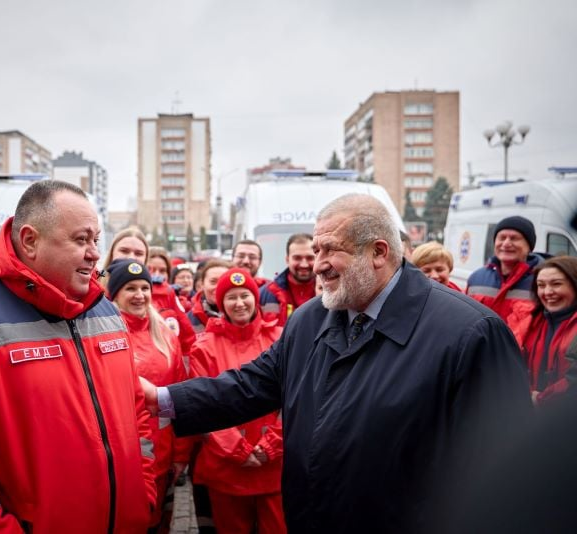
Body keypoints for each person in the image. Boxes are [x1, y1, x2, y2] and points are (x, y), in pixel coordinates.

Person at [145, 194, 531, 533]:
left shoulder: (471, 334)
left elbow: (504, 476)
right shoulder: (310, 319)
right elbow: (250, 386)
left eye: (330, 250)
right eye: (315, 251)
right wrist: (162, 400)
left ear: (379, 252)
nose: (317, 265)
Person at [0, 181, 156, 532]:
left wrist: (141, 496)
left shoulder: (107, 313)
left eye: (96, 240)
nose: (95, 253)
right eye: (81, 240)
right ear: (30, 240)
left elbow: (137, 412)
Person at [189, 268, 286, 534]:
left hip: (275, 466)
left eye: (245, 295)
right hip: (227, 469)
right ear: (220, 304)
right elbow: (202, 407)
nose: (240, 303)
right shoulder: (204, 348)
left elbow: (296, 399)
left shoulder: (280, 339)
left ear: (256, 299)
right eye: (231, 297)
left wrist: (272, 444)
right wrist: (236, 449)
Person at [107, 259, 190, 532]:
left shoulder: (165, 335)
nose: (140, 295)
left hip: (164, 456)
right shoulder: (106, 337)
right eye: (130, 288)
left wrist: (181, 454)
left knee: (160, 524)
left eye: (144, 287)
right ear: (115, 293)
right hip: (126, 457)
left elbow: (179, 393)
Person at [509, 256, 577, 406]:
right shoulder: (527, 321)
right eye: (541, 285)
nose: (547, 292)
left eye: (556, 284)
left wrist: (543, 400)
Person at [466, 216, 547, 323]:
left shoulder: (542, 281)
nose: (506, 244)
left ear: (529, 246)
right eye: (502, 238)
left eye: (514, 238)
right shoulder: (476, 279)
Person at [259, 233, 316, 326]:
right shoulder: (265, 294)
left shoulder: (330, 293)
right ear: (287, 259)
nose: (304, 264)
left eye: (310, 258)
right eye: (297, 258)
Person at [187, 259, 232, 334]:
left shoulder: (244, 316)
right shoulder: (188, 320)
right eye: (213, 281)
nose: (218, 287)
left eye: (224, 281)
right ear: (202, 284)